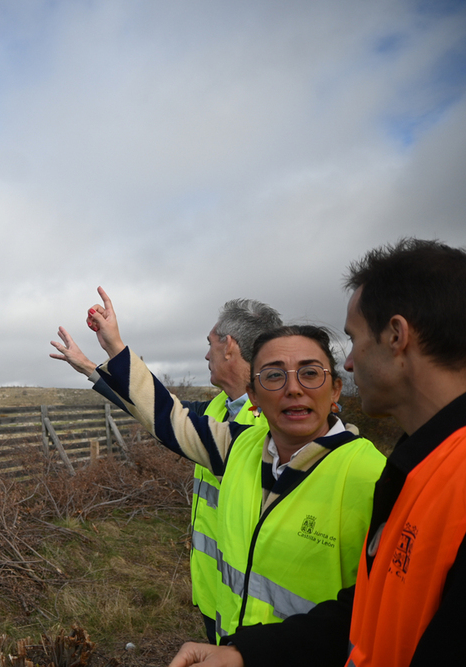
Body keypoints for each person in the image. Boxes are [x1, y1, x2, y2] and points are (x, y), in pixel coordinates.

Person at [167, 238, 466, 667]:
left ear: (396, 336)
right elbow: (365, 610)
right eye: (273, 376)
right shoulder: (418, 468)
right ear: (253, 394)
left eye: (354, 337)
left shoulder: (392, 473)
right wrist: (245, 654)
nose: (349, 361)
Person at [51, 288, 385, 641]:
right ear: (255, 394)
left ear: (335, 390)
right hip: (230, 629)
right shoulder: (239, 443)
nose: (293, 389)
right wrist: (107, 353)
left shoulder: (372, 477)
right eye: (274, 376)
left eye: (310, 373)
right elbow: (165, 414)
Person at [51, 298, 283, 644]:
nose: (206, 355)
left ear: (229, 346)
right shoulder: (220, 408)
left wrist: (116, 346)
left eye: (210, 344)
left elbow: (162, 414)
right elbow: (155, 410)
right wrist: (90, 367)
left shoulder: (271, 426)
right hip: (216, 592)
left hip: (259, 611)